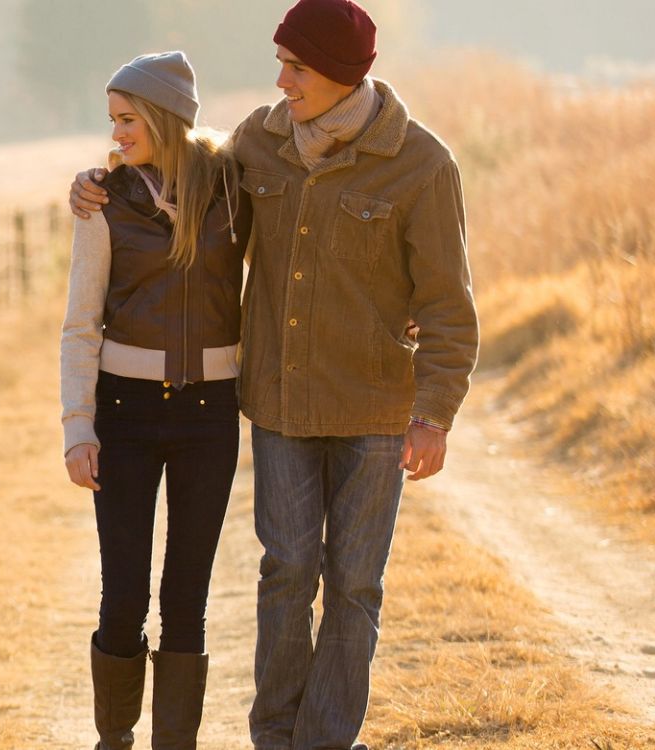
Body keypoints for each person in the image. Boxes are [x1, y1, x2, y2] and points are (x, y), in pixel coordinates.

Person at [69, 2, 479, 747]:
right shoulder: (261, 142)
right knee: (286, 574)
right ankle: (275, 732)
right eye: (280, 63)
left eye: (297, 68)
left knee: (354, 586)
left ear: (343, 75)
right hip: (280, 405)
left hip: (375, 410)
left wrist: (435, 412)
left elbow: (450, 305)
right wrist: (98, 178)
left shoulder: (423, 164)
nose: (280, 81)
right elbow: (182, 158)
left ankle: (324, 738)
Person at [60, 50, 249, 750]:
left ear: (168, 118)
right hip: (125, 416)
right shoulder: (104, 198)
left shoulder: (234, 191)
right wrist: (79, 427)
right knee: (124, 594)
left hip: (210, 415)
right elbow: (81, 323)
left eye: (129, 119)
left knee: (187, 597)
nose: (116, 135)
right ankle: (115, 739)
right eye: (112, 120)